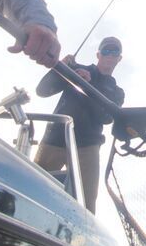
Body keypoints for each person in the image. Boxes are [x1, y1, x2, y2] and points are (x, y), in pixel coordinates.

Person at [34, 36, 125, 212]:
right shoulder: (76, 69)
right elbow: (42, 91)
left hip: (88, 146)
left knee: (86, 204)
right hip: (56, 138)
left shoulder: (117, 92)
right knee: (35, 186)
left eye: (115, 52)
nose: (110, 55)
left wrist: (87, 85)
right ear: (98, 54)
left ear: (119, 58)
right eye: (106, 51)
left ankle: (79, 239)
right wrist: (59, 67)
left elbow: (106, 118)